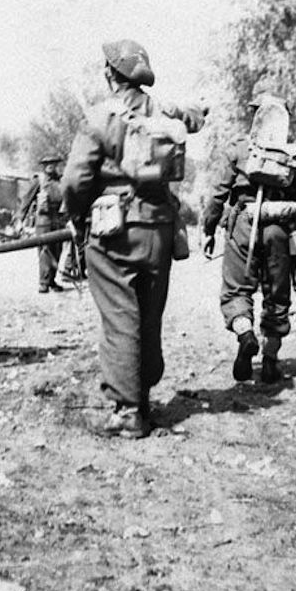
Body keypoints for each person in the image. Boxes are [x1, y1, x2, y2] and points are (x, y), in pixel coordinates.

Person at [62, 39, 206, 438]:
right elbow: (194, 117)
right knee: (148, 314)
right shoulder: (163, 111)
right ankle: (141, 398)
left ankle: (127, 413)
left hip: (114, 231)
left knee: (120, 319)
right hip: (159, 228)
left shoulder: (98, 117)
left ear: (111, 74)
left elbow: (75, 181)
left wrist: (77, 217)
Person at [201, 83, 296, 385]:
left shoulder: (238, 148)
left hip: (243, 225)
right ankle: (271, 362)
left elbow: (217, 198)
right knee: (277, 296)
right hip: (280, 229)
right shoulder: (294, 155)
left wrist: (209, 230)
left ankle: (246, 335)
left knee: (237, 290)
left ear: (255, 115)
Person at [19, 156, 68, 293]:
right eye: (48, 164)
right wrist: (20, 219)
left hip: (58, 218)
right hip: (44, 220)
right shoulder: (38, 180)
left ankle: (52, 281)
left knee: (57, 249)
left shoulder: (61, 180)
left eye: (54, 163)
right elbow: (26, 200)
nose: (51, 166)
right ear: (43, 166)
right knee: (45, 251)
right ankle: (43, 282)